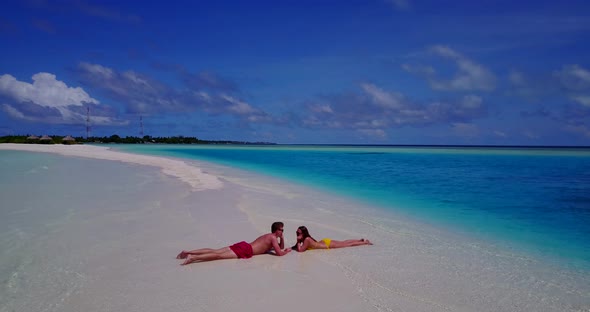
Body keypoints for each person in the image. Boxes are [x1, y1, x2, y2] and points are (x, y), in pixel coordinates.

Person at [176, 221, 291, 265]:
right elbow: (279, 253)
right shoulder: (273, 238)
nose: (282, 231)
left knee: (215, 251)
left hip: (244, 245)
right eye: (282, 230)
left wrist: (282, 238)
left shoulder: (269, 236)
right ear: (277, 230)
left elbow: (279, 247)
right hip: (246, 250)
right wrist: (286, 251)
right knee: (218, 256)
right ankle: (192, 258)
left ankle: (188, 252)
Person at [293, 225, 372, 252]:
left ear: (303, 233)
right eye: (297, 232)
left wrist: (298, 240)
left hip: (327, 245)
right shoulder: (306, 238)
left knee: (347, 245)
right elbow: (298, 247)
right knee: (343, 242)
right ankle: (359, 240)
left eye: (298, 233)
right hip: (325, 241)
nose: (297, 234)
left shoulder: (306, 239)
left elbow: (300, 250)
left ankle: (365, 243)